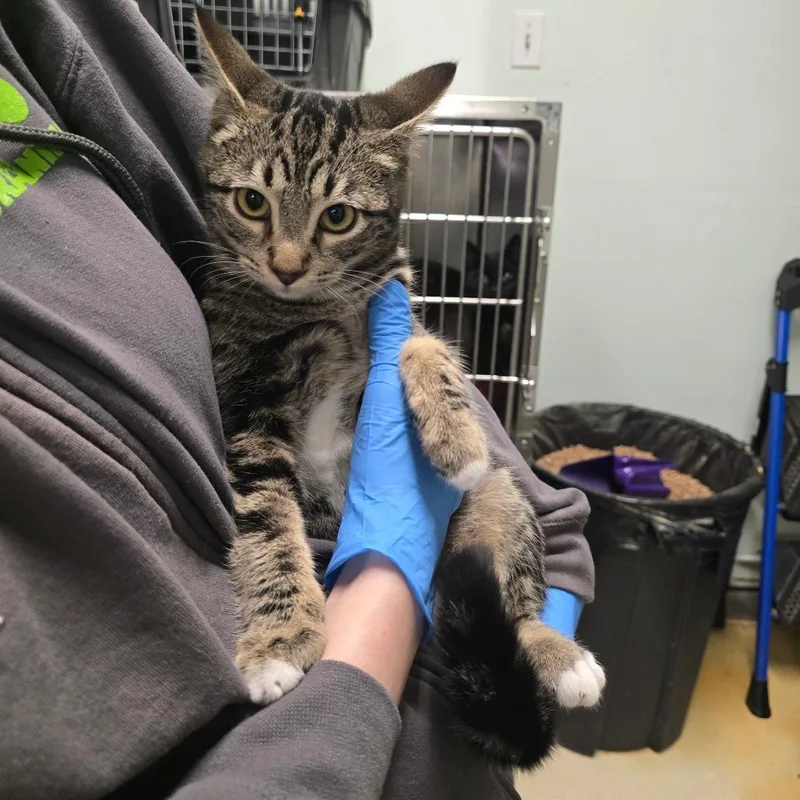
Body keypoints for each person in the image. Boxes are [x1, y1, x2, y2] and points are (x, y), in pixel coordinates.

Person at [0, 2, 594, 798]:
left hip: (444, 683)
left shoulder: (73, 36)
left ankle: (518, 631)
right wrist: (299, 608)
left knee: (491, 495)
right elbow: (254, 451)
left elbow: (493, 474)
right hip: (318, 681)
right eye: (252, 205)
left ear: (378, 202)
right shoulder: (239, 292)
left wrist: (428, 371)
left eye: (337, 218)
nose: (284, 257)